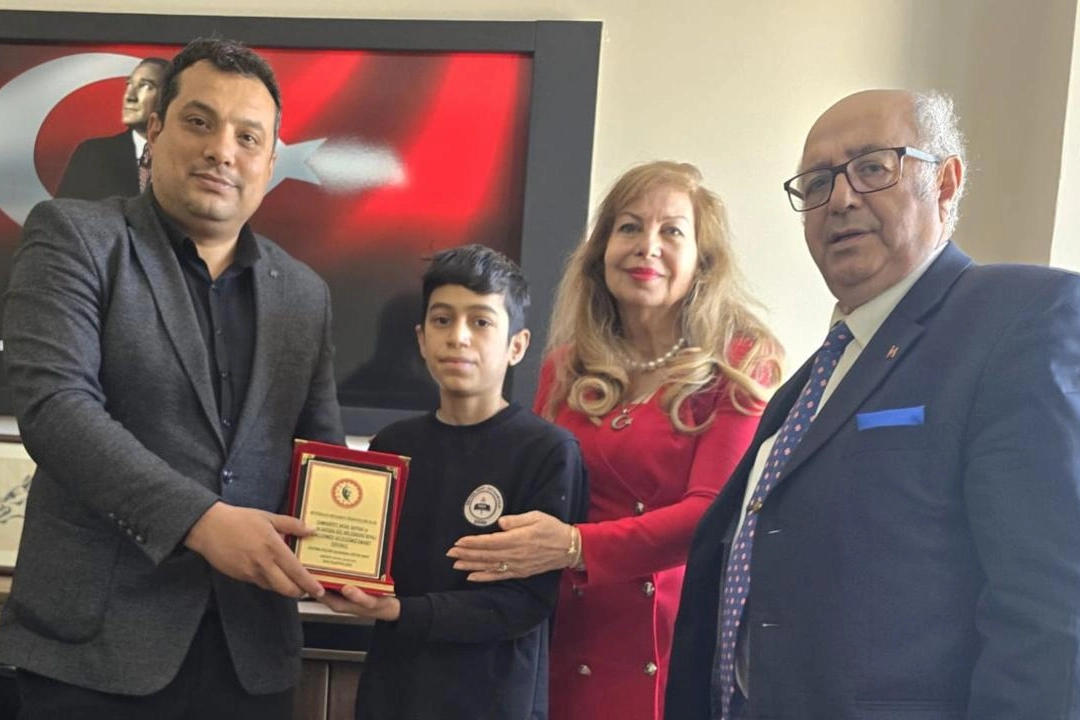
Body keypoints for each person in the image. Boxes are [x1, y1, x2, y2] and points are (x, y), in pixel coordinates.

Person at [665, 88, 1080, 720]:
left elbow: (1051, 604)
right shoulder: (806, 385)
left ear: (945, 183)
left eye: (872, 167)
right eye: (817, 182)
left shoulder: (1019, 319)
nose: (840, 198)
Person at [0, 37, 344, 719]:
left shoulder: (305, 294)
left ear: (270, 162)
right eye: (199, 122)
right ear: (153, 131)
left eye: (248, 136)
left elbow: (322, 457)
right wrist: (200, 521)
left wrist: (349, 559)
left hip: (250, 659)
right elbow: (55, 406)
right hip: (92, 657)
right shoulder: (75, 236)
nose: (222, 150)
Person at [446, 162, 782, 720]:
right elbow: (539, 494)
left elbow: (711, 514)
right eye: (629, 227)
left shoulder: (740, 363)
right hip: (562, 633)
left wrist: (574, 546)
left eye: (671, 231)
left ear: (703, 260)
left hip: (667, 641)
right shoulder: (567, 366)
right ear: (601, 250)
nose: (646, 246)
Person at [319, 243, 588, 719]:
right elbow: (366, 562)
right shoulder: (391, 445)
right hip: (393, 693)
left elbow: (526, 602)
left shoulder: (548, 451)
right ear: (422, 340)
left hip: (494, 698)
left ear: (517, 346)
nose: (458, 337)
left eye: (481, 322)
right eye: (442, 320)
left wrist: (402, 611)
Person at [56, 56, 169, 200]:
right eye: (129, 84)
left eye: (146, 86)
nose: (130, 97)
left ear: (169, 98)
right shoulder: (92, 155)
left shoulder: (187, 157)